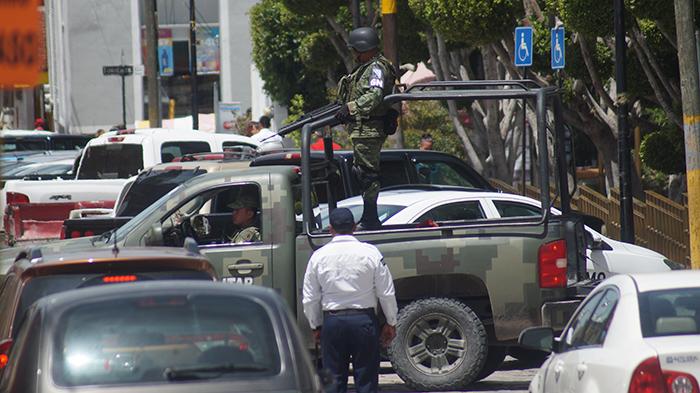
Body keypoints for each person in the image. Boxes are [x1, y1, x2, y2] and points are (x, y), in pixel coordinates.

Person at [302, 207, 397, 393]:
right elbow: (386, 292)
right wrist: (391, 322)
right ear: (354, 227)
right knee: (367, 379)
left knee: (334, 381)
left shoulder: (318, 256)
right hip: (364, 322)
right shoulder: (371, 253)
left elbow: (310, 297)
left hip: (333, 322)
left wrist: (316, 326)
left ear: (330, 229)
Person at [335, 27, 397, 230]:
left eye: (355, 49)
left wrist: (350, 107)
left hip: (369, 128)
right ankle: (369, 216)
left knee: (367, 174)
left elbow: (374, 96)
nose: (353, 54)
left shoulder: (377, 67)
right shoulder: (367, 67)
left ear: (363, 48)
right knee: (362, 172)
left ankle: (370, 218)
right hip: (362, 127)